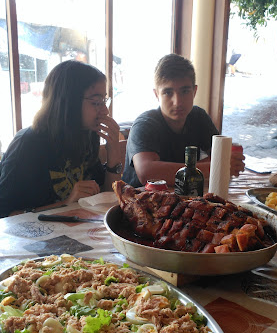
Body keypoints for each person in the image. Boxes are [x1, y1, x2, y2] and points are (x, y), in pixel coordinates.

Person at [0, 60, 122, 218]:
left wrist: (113, 152)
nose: (105, 111)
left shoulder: (88, 134)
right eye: (96, 102)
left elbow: (105, 199)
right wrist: (66, 202)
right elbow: (4, 215)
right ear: (68, 102)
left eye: (104, 101)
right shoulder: (27, 144)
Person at [122, 53, 245, 188]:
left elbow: (222, 156)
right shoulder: (145, 124)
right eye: (168, 92)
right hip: (140, 202)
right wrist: (216, 167)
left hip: (186, 197)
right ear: (157, 94)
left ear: (194, 91)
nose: (177, 102)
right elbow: (147, 172)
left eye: (185, 91)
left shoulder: (198, 116)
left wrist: (226, 162)